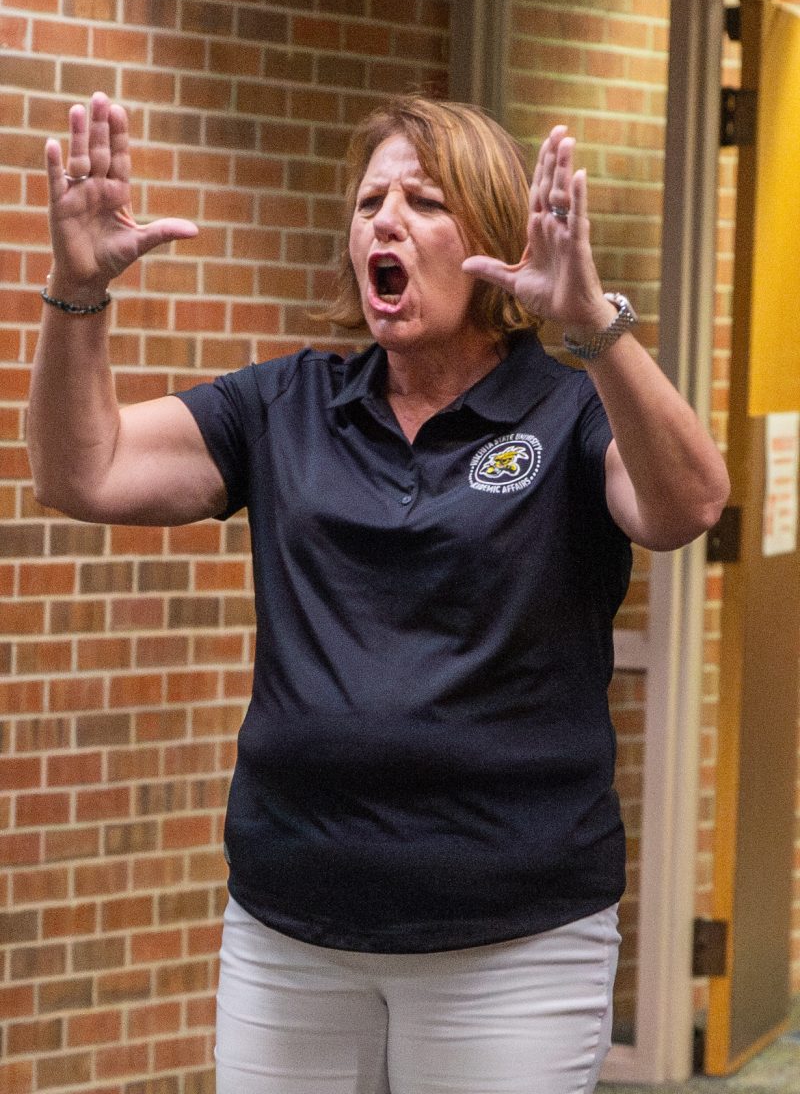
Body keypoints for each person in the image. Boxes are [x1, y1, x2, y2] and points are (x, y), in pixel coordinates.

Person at [28, 91, 729, 1094]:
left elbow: (686, 503)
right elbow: (78, 472)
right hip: (291, 930)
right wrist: (77, 293)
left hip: (510, 938)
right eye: (369, 205)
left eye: (423, 200)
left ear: (493, 239)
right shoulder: (285, 405)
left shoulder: (566, 408)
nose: (384, 222)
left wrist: (593, 330)